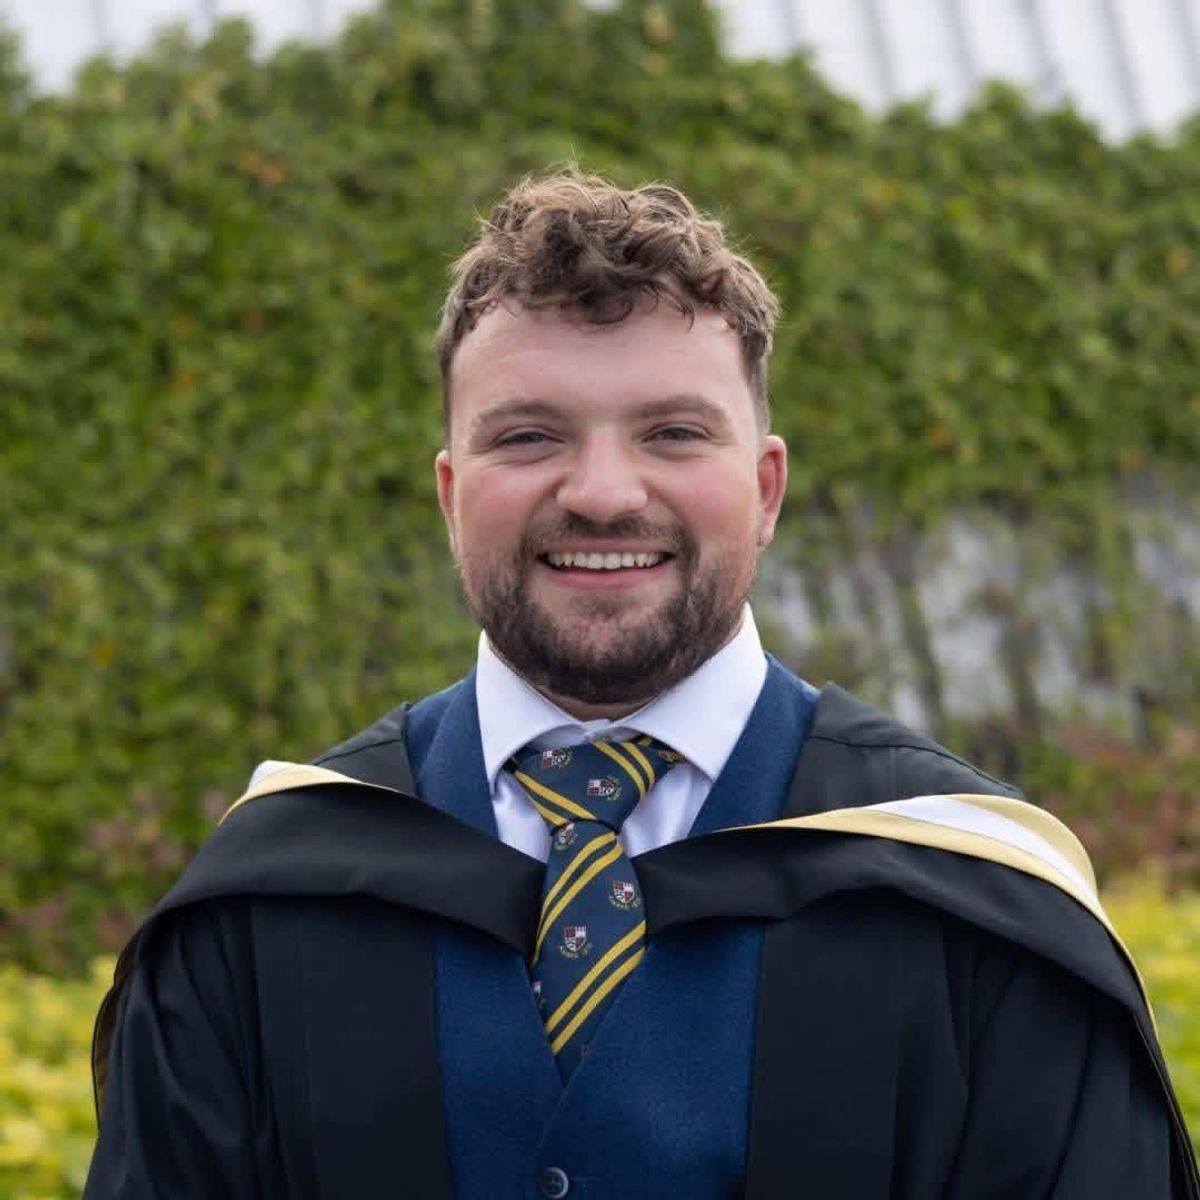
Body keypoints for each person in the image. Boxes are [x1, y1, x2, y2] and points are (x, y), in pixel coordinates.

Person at [85, 171, 1197, 1198]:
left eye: (672, 432)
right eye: (527, 437)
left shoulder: (980, 915)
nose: (606, 494)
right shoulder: (261, 909)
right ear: (449, 491)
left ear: (764, 490)